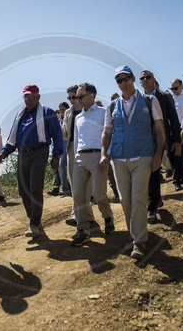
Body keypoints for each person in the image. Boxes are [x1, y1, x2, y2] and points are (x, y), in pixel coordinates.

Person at [101, 65, 165, 259]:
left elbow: (160, 130)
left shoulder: (149, 100)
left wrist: (158, 155)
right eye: (119, 80)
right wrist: (104, 153)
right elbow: (107, 132)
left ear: (133, 79)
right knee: (125, 200)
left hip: (143, 156)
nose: (123, 83)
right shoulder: (111, 106)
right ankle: (135, 231)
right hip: (119, 159)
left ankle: (139, 241)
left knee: (138, 197)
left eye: (126, 78)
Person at [0, 85, 63, 237]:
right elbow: (13, 139)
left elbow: (57, 135)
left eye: (32, 97)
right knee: (23, 190)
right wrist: (3, 153)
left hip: (40, 152)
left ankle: (33, 224)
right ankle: (34, 220)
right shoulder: (20, 115)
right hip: (22, 154)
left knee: (35, 188)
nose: (29, 100)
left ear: (38, 97)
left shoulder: (47, 112)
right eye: (26, 97)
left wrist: (56, 155)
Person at [70, 83, 114, 246]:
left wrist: (106, 155)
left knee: (98, 193)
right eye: (76, 97)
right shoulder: (78, 117)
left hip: (98, 157)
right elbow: (76, 139)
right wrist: (75, 157)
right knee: (79, 195)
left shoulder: (103, 113)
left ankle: (107, 215)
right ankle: (82, 229)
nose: (77, 99)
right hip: (80, 158)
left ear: (91, 96)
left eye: (80, 96)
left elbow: (110, 135)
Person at [140, 70, 181, 219]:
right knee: (150, 173)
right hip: (144, 142)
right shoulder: (139, 99)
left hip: (163, 140)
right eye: (142, 78)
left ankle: (153, 207)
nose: (145, 79)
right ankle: (153, 203)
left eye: (148, 77)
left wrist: (177, 140)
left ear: (153, 79)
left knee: (158, 170)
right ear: (139, 82)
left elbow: (174, 119)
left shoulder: (164, 96)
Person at [62, 85, 95, 226]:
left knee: (86, 185)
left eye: (74, 97)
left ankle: (84, 215)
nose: (72, 100)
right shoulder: (68, 113)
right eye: (69, 98)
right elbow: (65, 133)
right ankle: (81, 215)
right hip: (72, 149)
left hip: (87, 149)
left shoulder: (87, 110)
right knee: (75, 184)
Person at [48, 103, 71, 196]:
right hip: (60, 147)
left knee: (62, 165)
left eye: (63, 109)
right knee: (60, 167)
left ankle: (64, 186)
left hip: (67, 146)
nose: (61, 111)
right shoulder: (59, 121)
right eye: (60, 109)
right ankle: (65, 186)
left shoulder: (69, 118)